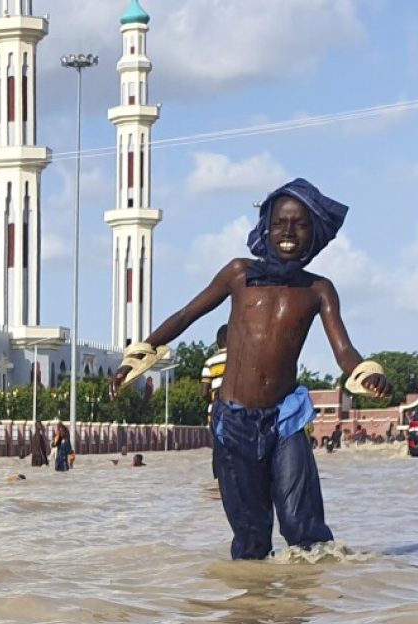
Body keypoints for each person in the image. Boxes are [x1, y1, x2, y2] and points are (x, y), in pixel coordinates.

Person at [110, 177, 390, 560]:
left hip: (286, 418)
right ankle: (251, 614)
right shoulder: (239, 273)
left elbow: (344, 351)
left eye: (299, 224)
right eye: (280, 223)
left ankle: (307, 612)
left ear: (314, 233)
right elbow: (187, 314)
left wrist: (367, 373)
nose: (288, 232)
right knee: (252, 537)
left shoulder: (319, 290)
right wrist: (136, 357)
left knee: (304, 530)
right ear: (266, 228)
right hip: (234, 421)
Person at [201, 323, 229, 418]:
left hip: (215, 412)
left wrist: (214, 399)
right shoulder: (240, 360)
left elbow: (204, 393)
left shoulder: (210, 362)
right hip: (237, 414)